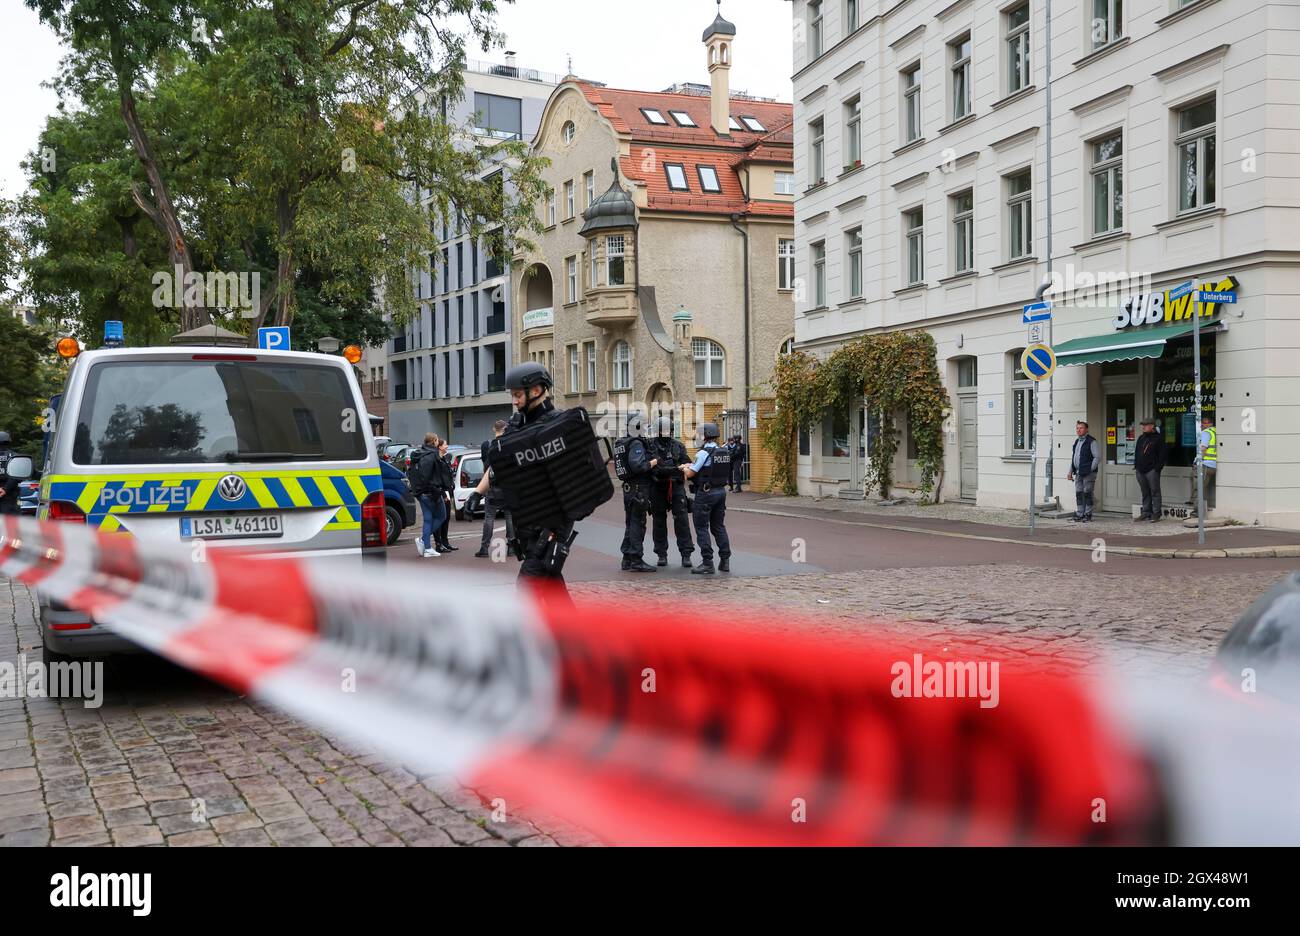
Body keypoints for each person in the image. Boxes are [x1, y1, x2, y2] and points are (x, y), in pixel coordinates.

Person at [497, 362, 573, 591]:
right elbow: (501, 465)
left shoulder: (559, 424)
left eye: (518, 395)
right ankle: (571, 627)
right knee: (551, 583)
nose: (514, 401)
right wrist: (478, 492)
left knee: (527, 585)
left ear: (537, 390)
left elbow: (570, 476)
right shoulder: (516, 425)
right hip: (527, 519)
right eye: (512, 395)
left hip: (552, 520)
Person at [680, 422, 732, 575]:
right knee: (718, 527)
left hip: (705, 493)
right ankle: (725, 560)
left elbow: (690, 474)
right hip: (720, 492)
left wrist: (684, 467)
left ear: (704, 435)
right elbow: (710, 468)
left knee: (702, 527)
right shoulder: (723, 450)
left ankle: (707, 562)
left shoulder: (702, 453)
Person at [613, 411, 658, 573]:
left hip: (629, 488)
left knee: (630, 523)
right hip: (638, 488)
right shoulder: (636, 443)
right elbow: (638, 466)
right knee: (638, 523)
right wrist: (653, 462)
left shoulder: (621, 441)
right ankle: (636, 559)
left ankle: (627, 558)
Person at [650, 416, 694, 568]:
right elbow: (654, 468)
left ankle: (686, 554)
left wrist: (679, 468)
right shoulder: (651, 446)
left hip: (676, 486)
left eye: (668, 430)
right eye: (663, 430)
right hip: (658, 487)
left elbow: (687, 463)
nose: (666, 432)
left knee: (681, 520)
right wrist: (674, 468)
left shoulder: (678, 446)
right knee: (659, 521)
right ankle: (661, 553)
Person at [474, 420, 514, 558]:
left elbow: (485, 465)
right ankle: (511, 547)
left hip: (492, 486)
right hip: (508, 486)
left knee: (489, 517)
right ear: (505, 429)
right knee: (509, 516)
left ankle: (484, 548)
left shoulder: (487, 444)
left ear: (494, 429)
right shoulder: (509, 443)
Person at [406, 433, 445, 558]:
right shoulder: (432, 455)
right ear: (434, 441)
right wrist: (437, 490)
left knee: (428, 519)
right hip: (431, 492)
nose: (438, 441)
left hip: (420, 493)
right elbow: (428, 476)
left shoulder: (418, 454)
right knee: (441, 516)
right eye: (437, 439)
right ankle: (424, 541)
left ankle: (427, 547)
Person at [1134, 417, 1167, 523]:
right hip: (1140, 469)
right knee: (1145, 492)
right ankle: (1146, 512)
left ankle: (1156, 513)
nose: (1143, 427)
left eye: (1146, 425)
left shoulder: (1158, 438)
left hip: (1152, 469)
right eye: (1142, 425)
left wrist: (1157, 468)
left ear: (1152, 426)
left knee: (1155, 491)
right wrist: (1136, 465)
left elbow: (1162, 455)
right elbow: (1137, 453)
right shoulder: (1141, 438)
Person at [1066, 420, 1099, 523]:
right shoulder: (1077, 441)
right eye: (1077, 428)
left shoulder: (1092, 441)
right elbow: (1074, 458)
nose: (1078, 430)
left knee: (1087, 493)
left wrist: (1090, 469)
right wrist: (1070, 471)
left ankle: (1088, 514)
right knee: (1079, 493)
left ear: (1086, 429)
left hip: (1088, 473)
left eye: (1081, 428)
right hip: (1079, 472)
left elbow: (1097, 457)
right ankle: (1080, 513)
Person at [434, 438, 458, 552]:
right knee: (441, 518)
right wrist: (443, 493)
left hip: (447, 491)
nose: (447, 446)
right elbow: (438, 478)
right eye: (445, 444)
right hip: (442, 492)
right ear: (440, 447)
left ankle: (445, 542)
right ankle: (439, 544)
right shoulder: (438, 460)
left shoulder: (444, 459)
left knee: (446, 517)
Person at [1198, 414, 1217, 510]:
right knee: (1203, 486)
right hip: (1213, 464)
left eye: (1204, 423)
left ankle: (1199, 511)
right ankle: (1205, 507)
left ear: (1210, 423)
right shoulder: (1216, 431)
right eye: (1202, 423)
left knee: (1199, 487)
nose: (1202, 425)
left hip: (1205, 464)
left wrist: (1198, 461)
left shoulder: (1206, 432)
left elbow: (1203, 448)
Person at [0, 432, 20, 516]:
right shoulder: (15, 457)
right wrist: (5, 489)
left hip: (9, 496)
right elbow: (16, 476)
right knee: (9, 525)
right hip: (9, 498)